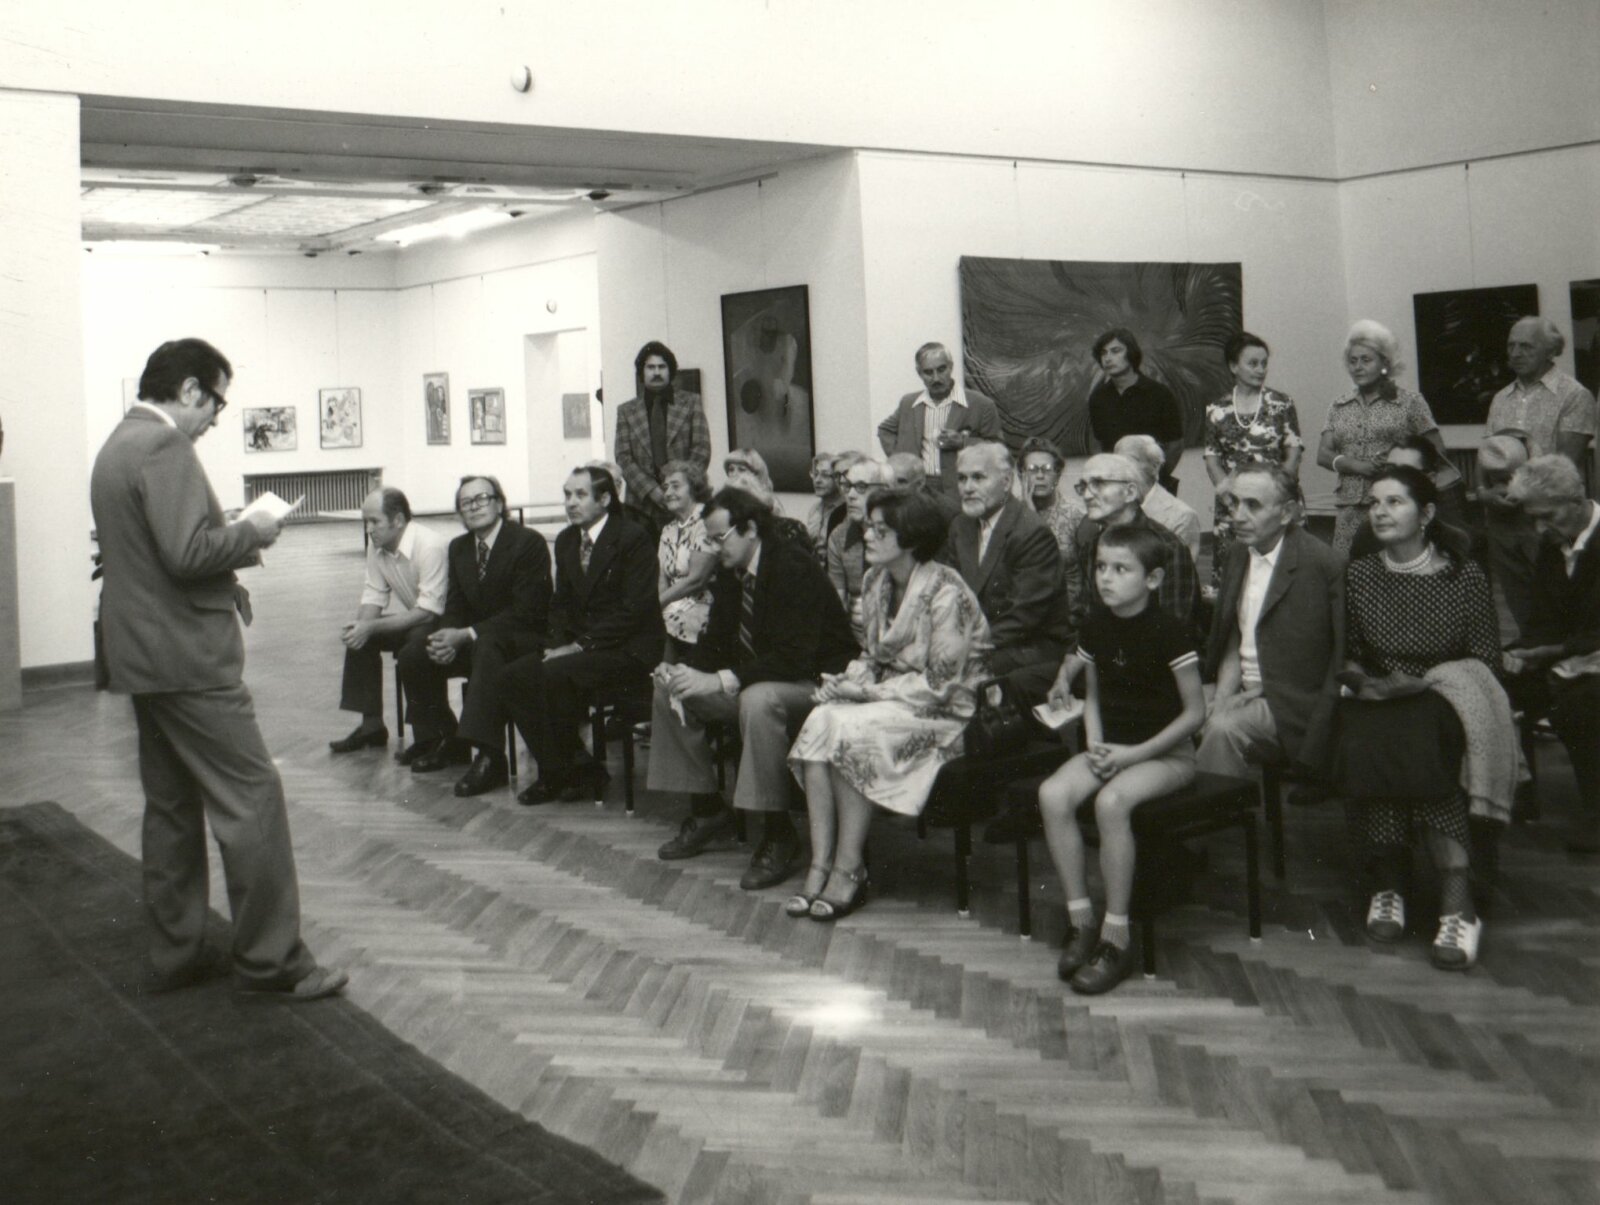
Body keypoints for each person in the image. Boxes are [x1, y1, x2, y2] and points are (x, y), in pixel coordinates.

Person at [89, 337, 346, 1000]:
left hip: (141, 655)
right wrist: (253, 533)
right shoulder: (165, 446)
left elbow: (154, 547)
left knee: (172, 807)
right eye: (217, 404)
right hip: (188, 658)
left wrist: (221, 529)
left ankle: (175, 953)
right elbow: (186, 553)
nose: (214, 419)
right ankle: (272, 962)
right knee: (252, 799)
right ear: (190, 390)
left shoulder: (118, 443)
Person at [1336, 465, 1512, 972]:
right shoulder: (1360, 574)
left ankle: (1458, 902)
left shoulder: (1463, 575)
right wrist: (1364, 683)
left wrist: (1425, 683)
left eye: (1395, 502)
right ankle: (1389, 881)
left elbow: (1486, 657)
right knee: (1371, 732)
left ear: (1427, 513)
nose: (1380, 512)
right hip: (1380, 694)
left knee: (1419, 737)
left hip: (1447, 692)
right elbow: (1351, 653)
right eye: (1374, 503)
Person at [788, 490, 992, 920]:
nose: (868, 536)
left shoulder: (947, 591)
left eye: (881, 530)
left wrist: (864, 694)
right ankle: (820, 863)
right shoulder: (875, 582)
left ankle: (849, 868)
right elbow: (873, 657)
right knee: (822, 718)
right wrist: (845, 683)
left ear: (912, 538)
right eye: (869, 527)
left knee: (853, 730)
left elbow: (941, 684)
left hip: (947, 711)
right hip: (894, 699)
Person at [649, 486, 856, 890]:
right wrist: (685, 670)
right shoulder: (733, 570)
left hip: (818, 685)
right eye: (709, 539)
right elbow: (716, 638)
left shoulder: (792, 567)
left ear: (750, 529)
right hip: (760, 679)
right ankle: (708, 810)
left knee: (758, 702)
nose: (713, 548)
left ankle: (779, 833)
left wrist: (720, 679)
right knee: (671, 690)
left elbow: (795, 657)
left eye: (719, 538)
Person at [1036, 524, 1206, 995]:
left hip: (1165, 755)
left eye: (1120, 569)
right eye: (1101, 568)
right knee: (1052, 794)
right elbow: (1093, 694)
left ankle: (1116, 935)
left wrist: (1134, 754)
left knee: (1111, 803)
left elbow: (1195, 714)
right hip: (1112, 747)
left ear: (1152, 579)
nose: (1106, 578)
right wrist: (1094, 741)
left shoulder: (1171, 632)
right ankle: (1081, 920)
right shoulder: (1095, 624)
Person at [504, 465, 662, 803]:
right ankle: (574, 767)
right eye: (567, 495)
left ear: (604, 499)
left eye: (580, 495)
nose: (570, 503)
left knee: (553, 674)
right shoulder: (566, 540)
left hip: (628, 648)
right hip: (583, 649)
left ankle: (559, 774)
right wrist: (555, 644)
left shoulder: (632, 537)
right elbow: (560, 603)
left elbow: (633, 611)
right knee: (514, 675)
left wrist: (578, 646)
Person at [401, 475, 551, 796]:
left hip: (523, 640)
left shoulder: (528, 542)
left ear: (499, 503)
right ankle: (446, 738)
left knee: (486, 646)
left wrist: (466, 634)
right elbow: (455, 604)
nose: (474, 507)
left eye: (482, 498)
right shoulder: (459, 547)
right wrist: (446, 636)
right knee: (414, 653)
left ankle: (490, 755)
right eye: (465, 502)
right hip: (480, 641)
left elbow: (527, 612)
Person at [1197, 462, 1344, 782]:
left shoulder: (1323, 564)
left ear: (1287, 512)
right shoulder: (1239, 552)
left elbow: (1328, 660)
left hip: (1290, 701)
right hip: (1241, 687)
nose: (1237, 516)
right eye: (1234, 503)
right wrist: (1223, 697)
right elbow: (1235, 636)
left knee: (1223, 729)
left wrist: (1254, 693)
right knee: (1170, 712)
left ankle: (1214, 807)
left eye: (1253, 505)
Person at [1504, 456, 1600, 853]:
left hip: (1591, 661)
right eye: (1534, 518)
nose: (1540, 528)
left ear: (1576, 500)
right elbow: (1543, 615)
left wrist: (1555, 651)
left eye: (1547, 516)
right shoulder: (1552, 545)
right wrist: (1523, 651)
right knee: (1496, 681)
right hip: (1570, 656)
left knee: (1581, 706)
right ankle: (1518, 792)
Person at [942, 441, 1071, 705]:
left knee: (953, 676)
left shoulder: (1031, 532)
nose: (967, 487)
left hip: (1027, 647)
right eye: (962, 478)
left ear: (1006, 481)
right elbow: (949, 592)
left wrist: (963, 646)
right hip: (981, 639)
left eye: (978, 477)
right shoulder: (961, 525)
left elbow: (1023, 616)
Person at [1317, 320, 1458, 557]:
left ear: (1385, 363)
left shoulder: (1410, 402)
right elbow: (1323, 455)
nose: (1358, 367)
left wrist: (1400, 466)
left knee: (1394, 564)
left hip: (1396, 504)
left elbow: (1437, 451)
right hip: (1349, 508)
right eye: (1353, 361)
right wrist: (1357, 466)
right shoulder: (1338, 406)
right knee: (1345, 568)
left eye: (1366, 360)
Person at [329, 487, 448, 756]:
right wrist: (360, 629)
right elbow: (374, 594)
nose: (368, 529)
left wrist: (370, 627)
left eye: (375, 521)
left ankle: (427, 737)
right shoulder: (377, 546)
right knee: (360, 635)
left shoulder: (430, 545)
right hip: (418, 617)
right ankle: (371, 726)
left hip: (444, 621)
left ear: (398, 520)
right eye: (366, 522)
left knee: (411, 648)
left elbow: (430, 612)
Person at [1202, 332, 1304, 582]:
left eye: (1264, 363)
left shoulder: (1281, 404)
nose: (1261, 370)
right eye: (1253, 363)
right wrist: (1227, 493)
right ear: (1233, 366)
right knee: (1235, 573)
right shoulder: (1217, 409)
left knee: (1282, 571)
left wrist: (1279, 491)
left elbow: (1293, 450)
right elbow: (1212, 457)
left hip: (1275, 500)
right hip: (1234, 502)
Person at [876, 342, 1001, 497]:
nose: (936, 378)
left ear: (951, 367)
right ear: (919, 373)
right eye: (928, 372)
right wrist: (900, 460)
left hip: (959, 489)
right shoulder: (908, 403)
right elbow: (885, 430)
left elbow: (998, 448)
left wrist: (963, 442)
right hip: (918, 489)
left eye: (941, 369)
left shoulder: (981, 404)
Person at [613, 341, 712, 532]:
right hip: (641, 505)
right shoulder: (626, 410)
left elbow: (702, 450)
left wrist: (677, 487)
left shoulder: (691, 402)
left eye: (662, 367)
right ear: (642, 372)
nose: (656, 372)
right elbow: (623, 457)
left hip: (686, 501)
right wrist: (652, 491)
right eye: (650, 367)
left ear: (670, 371)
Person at [1486, 317, 1597, 470]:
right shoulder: (1501, 398)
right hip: (1503, 486)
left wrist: (1517, 484)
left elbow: (1563, 468)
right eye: (1511, 346)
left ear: (1550, 351)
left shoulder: (1575, 396)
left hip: (1550, 485)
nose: (1515, 353)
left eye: (1526, 346)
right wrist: (1482, 485)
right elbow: (1487, 457)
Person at [1087, 328, 1184, 493]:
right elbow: (1097, 443)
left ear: (1131, 353)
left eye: (1115, 351)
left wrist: (1153, 477)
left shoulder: (1159, 393)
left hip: (1154, 486)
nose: (1108, 358)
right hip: (1115, 488)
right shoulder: (1098, 397)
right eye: (1103, 353)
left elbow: (1175, 445)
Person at [827, 456, 894, 645]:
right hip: (854, 641)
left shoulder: (901, 535)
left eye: (861, 487)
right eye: (847, 486)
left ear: (884, 491)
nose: (850, 495)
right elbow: (836, 606)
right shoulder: (839, 537)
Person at [656, 460, 718, 661]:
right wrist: (658, 606)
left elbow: (696, 579)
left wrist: (657, 605)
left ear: (694, 487)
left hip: (703, 604)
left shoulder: (706, 521)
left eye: (675, 486)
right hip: (671, 605)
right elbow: (662, 578)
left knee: (656, 626)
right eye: (665, 487)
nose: (668, 492)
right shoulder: (668, 529)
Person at [1476, 432, 1537, 639]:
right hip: (1500, 523)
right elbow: (1483, 462)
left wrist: (1524, 492)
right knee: (1514, 588)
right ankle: (1529, 638)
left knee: (1543, 582)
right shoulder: (1493, 448)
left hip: (1536, 517)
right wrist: (1486, 493)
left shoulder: (1534, 453)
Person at [1114, 433, 1202, 562]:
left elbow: (1180, 571)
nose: (1121, 473)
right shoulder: (1112, 508)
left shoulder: (1182, 517)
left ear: (1154, 467)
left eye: (1130, 463)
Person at [803, 452, 846, 560]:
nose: (817, 480)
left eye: (825, 475)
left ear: (838, 478)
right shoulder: (814, 509)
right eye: (815, 474)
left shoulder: (846, 509)